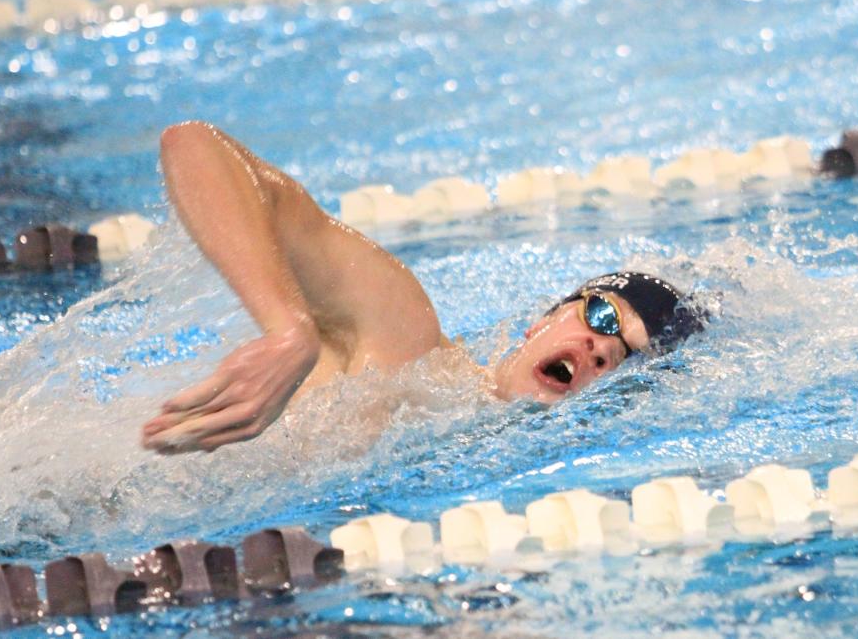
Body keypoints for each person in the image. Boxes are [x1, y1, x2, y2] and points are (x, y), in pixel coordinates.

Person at [141, 122, 702, 454]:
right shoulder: (403, 340)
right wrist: (288, 328)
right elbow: (192, 144)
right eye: (604, 318)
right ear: (544, 320)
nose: (604, 349)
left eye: (630, 360)